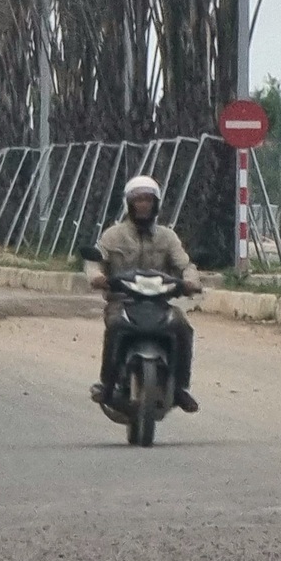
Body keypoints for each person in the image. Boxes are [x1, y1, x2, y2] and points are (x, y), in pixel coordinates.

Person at [87, 174, 200, 414]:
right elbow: (95, 261)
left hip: (160, 303)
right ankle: (107, 384)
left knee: (182, 327)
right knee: (116, 326)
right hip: (122, 302)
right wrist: (97, 277)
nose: (143, 205)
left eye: (148, 200)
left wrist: (190, 282)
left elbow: (185, 264)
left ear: (156, 204)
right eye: (138, 200)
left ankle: (180, 387)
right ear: (129, 204)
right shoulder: (112, 235)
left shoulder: (167, 237)